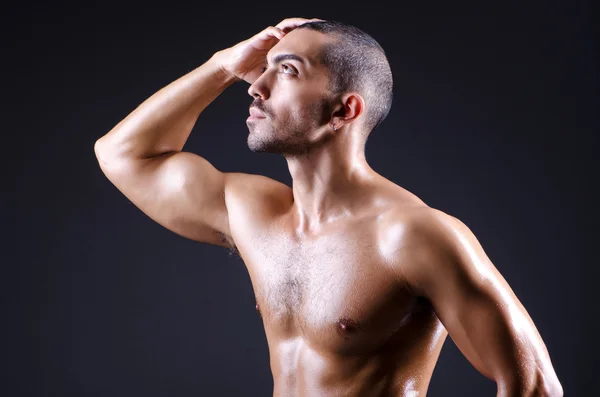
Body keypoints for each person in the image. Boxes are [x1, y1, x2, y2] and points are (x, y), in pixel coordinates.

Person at [94, 17, 563, 397]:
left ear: (345, 111)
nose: (256, 86)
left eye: (288, 70)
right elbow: (123, 155)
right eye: (263, 68)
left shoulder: (413, 235)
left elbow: (535, 386)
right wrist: (221, 65)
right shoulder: (252, 212)